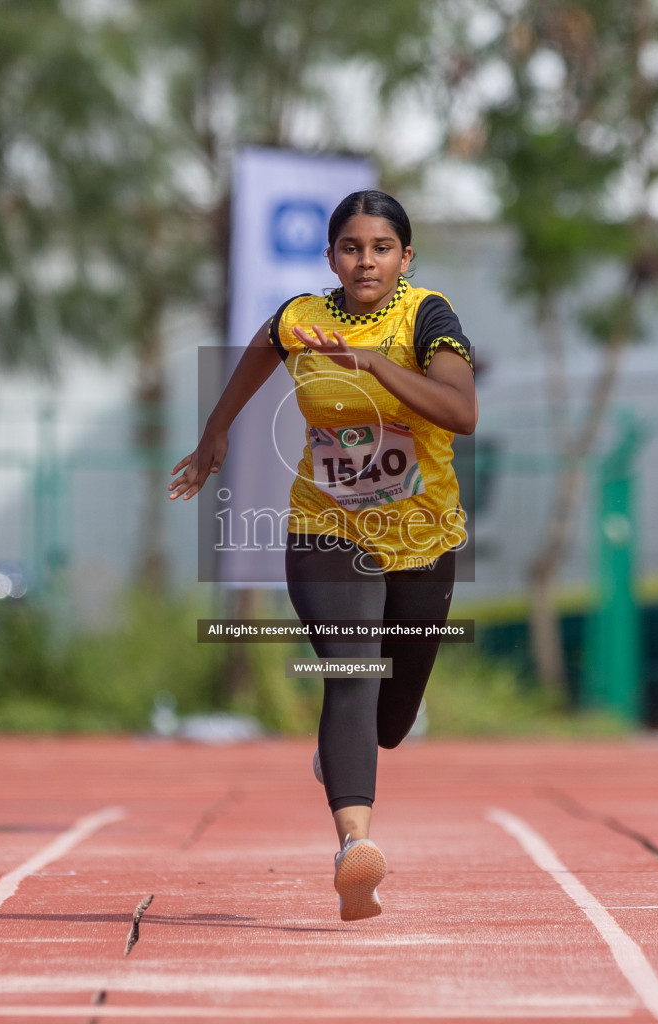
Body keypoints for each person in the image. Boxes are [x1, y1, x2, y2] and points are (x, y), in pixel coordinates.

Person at [169, 189, 477, 922]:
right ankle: (353, 851)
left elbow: (461, 412)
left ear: (405, 257)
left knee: (389, 718)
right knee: (352, 672)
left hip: (421, 540)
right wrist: (217, 431)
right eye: (350, 246)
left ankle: (343, 755)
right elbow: (259, 352)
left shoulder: (428, 317)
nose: (364, 259)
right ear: (330, 254)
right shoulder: (301, 317)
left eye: (380, 248)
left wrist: (373, 365)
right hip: (324, 529)